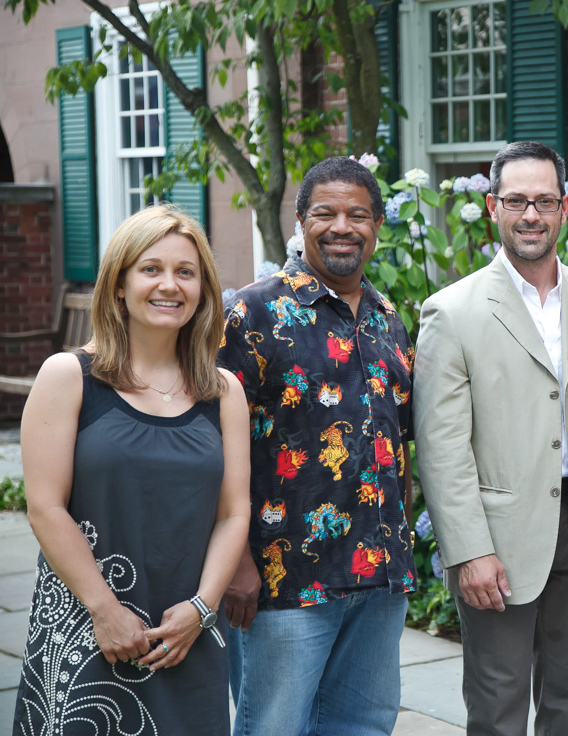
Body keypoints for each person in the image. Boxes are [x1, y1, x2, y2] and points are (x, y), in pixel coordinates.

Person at [12, 205, 251, 735]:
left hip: (187, 637)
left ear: (203, 289)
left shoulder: (224, 391)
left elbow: (235, 513)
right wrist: (105, 611)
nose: (170, 285)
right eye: (151, 269)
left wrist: (202, 608)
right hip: (86, 634)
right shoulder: (70, 376)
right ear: (119, 284)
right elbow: (45, 508)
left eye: (185, 272)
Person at [413, 141, 568, 736]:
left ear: (564, 210)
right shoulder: (451, 311)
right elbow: (441, 447)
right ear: (491, 207)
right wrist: (468, 550)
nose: (530, 215)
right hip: (497, 540)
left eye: (544, 202)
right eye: (516, 201)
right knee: (498, 706)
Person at [218, 157, 416, 736]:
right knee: (275, 727)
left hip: (380, 578)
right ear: (301, 220)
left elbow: (396, 444)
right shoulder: (254, 311)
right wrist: (237, 563)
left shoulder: (386, 319)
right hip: (283, 580)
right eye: (325, 212)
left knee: (364, 726)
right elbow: (210, 445)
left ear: (378, 224)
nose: (342, 227)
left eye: (358, 214)